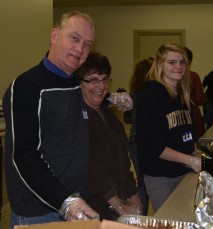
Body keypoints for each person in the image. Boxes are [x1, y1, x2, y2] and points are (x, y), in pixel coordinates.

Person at [2, 11, 132, 227]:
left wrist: (111, 98)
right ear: (54, 36)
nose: (81, 49)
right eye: (75, 38)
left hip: (78, 202)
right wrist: (66, 202)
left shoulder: (73, 83)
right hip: (40, 212)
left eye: (88, 44)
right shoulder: (27, 87)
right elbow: (24, 156)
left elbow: (75, 102)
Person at [76, 52, 143, 220]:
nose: (101, 86)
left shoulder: (110, 115)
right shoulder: (78, 118)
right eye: (93, 80)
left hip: (116, 201)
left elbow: (123, 160)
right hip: (94, 207)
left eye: (105, 79)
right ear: (79, 82)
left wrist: (133, 193)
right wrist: (117, 203)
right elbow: (91, 167)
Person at [136, 43, 202, 212]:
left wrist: (196, 152)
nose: (178, 66)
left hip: (183, 172)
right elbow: (154, 147)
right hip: (161, 177)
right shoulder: (150, 97)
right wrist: (191, 160)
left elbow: (185, 134)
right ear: (160, 65)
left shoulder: (181, 95)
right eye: (172, 62)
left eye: (182, 62)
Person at [123, 57, 154, 215]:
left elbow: (127, 119)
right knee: (153, 180)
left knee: (141, 183)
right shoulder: (155, 93)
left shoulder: (133, 94)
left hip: (135, 140)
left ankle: (141, 218)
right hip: (150, 141)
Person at [183, 47, 206, 140]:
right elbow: (200, 99)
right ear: (190, 61)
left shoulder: (166, 77)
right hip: (191, 115)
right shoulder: (193, 76)